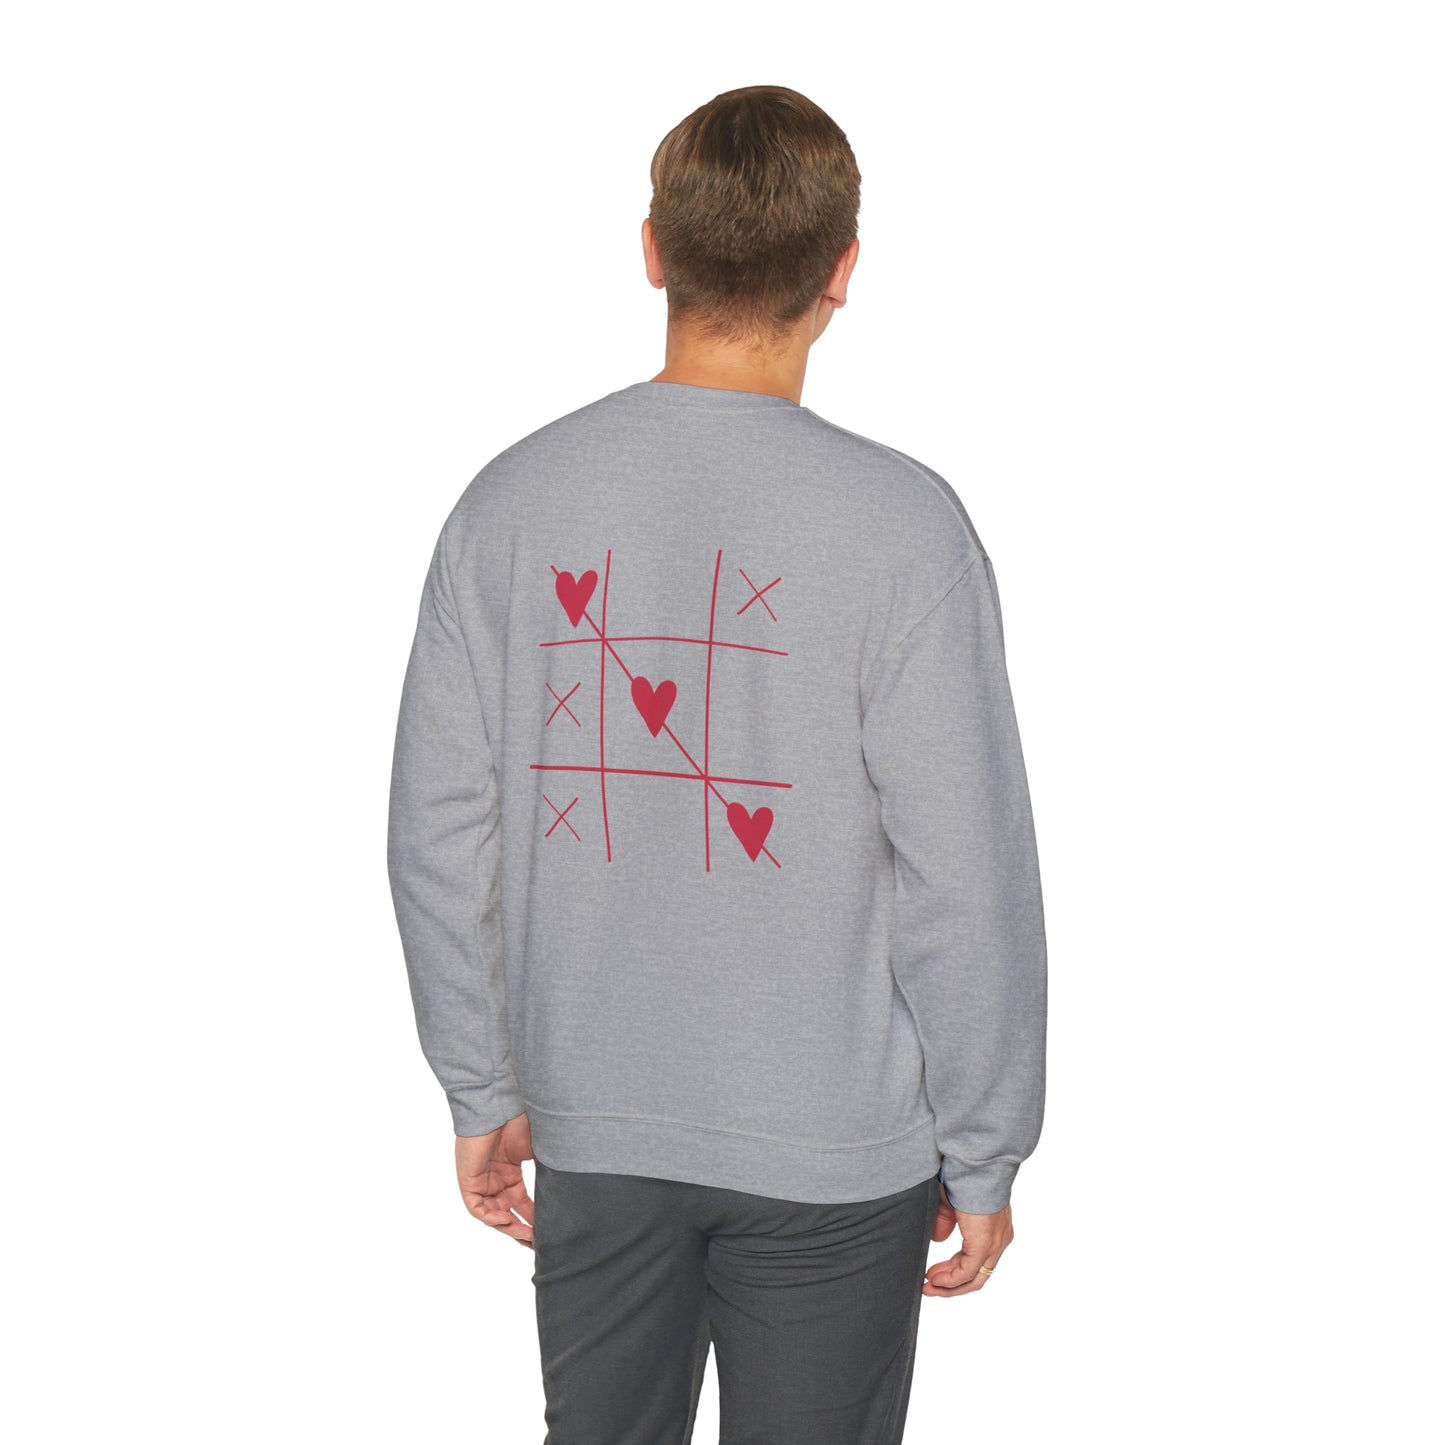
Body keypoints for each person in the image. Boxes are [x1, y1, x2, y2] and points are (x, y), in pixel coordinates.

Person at [387, 84, 1048, 1444]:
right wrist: (984, 1144)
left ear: (651, 250)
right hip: (834, 1147)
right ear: (844, 269)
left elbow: (439, 833)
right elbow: (965, 871)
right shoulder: (905, 528)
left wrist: (482, 1082)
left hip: (594, 1126)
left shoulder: (508, 504)